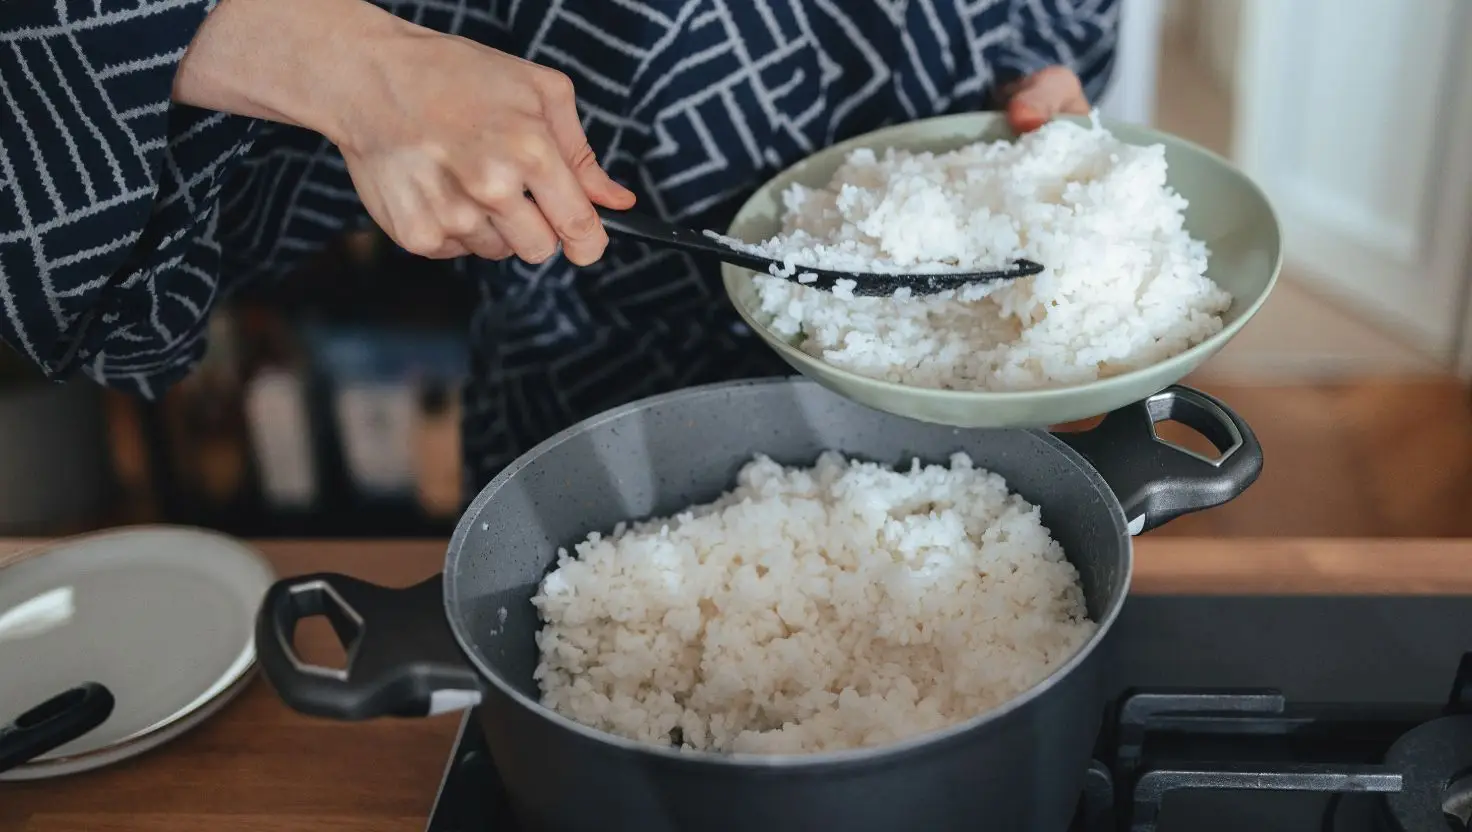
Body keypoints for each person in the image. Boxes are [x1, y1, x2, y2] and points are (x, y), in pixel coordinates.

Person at [0, 0, 1118, 495]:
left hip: (961, 374)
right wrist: (335, 56)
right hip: (596, 376)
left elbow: (1046, 29)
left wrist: (1022, 99)